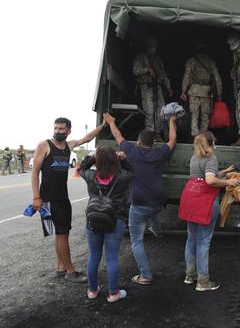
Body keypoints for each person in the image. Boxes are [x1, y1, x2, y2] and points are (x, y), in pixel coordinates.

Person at [104, 112, 177, 285]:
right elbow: (172, 140)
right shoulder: (159, 153)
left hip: (139, 203)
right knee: (152, 210)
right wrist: (172, 122)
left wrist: (111, 121)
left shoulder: (131, 151)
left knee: (137, 241)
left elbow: (117, 135)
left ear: (138, 142)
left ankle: (145, 275)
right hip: (158, 201)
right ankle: (157, 231)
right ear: (153, 143)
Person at [31, 117, 106, 282]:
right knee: (62, 234)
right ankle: (70, 271)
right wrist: (36, 197)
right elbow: (35, 172)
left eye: (61, 129)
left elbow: (86, 138)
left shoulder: (68, 146)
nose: (57, 131)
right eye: (55, 128)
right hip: (49, 198)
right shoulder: (44, 145)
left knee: (61, 234)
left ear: (68, 131)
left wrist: (103, 125)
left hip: (63, 197)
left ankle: (60, 267)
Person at [180, 131, 239, 291]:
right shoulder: (211, 158)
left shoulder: (195, 157)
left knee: (191, 238)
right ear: (212, 143)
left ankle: (190, 275)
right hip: (204, 201)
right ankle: (203, 281)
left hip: (190, 199)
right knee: (203, 241)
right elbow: (210, 180)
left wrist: (223, 172)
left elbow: (202, 176)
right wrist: (229, 181)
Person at [79, 147, 134, 303]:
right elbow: (132, 171)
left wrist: (92, 158)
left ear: (98, 161)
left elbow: (81, 168)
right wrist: (123, 159)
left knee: (93, 255)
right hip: (115, 220)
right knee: (111, 258)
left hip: (93, 220)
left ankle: (92, 290)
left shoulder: (90, 176)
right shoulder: (123, 178)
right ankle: (113, 293)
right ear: (115, 160)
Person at [133, 37, 174, 142]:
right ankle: (149, 135)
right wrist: (147, 70)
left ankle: (157, 133)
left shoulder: (158, 61)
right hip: (147, 87)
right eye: (151, 47)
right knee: (149, 112)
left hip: (158, 88)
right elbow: (135, 70)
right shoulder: (141, 58)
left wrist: (169, 88)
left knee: (160, 111)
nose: (153, 49)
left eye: (155, 47)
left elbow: (164, 76)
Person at [180, 43, 223, 137]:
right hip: (206, 92)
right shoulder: (210, 62)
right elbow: (217, 78)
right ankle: (203, 135)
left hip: (194, 91)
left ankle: (195, 135)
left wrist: (183, 91)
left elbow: (186, 76)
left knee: (194, 114)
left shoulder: (191, 61)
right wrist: (219, 93)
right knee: (205, 116)